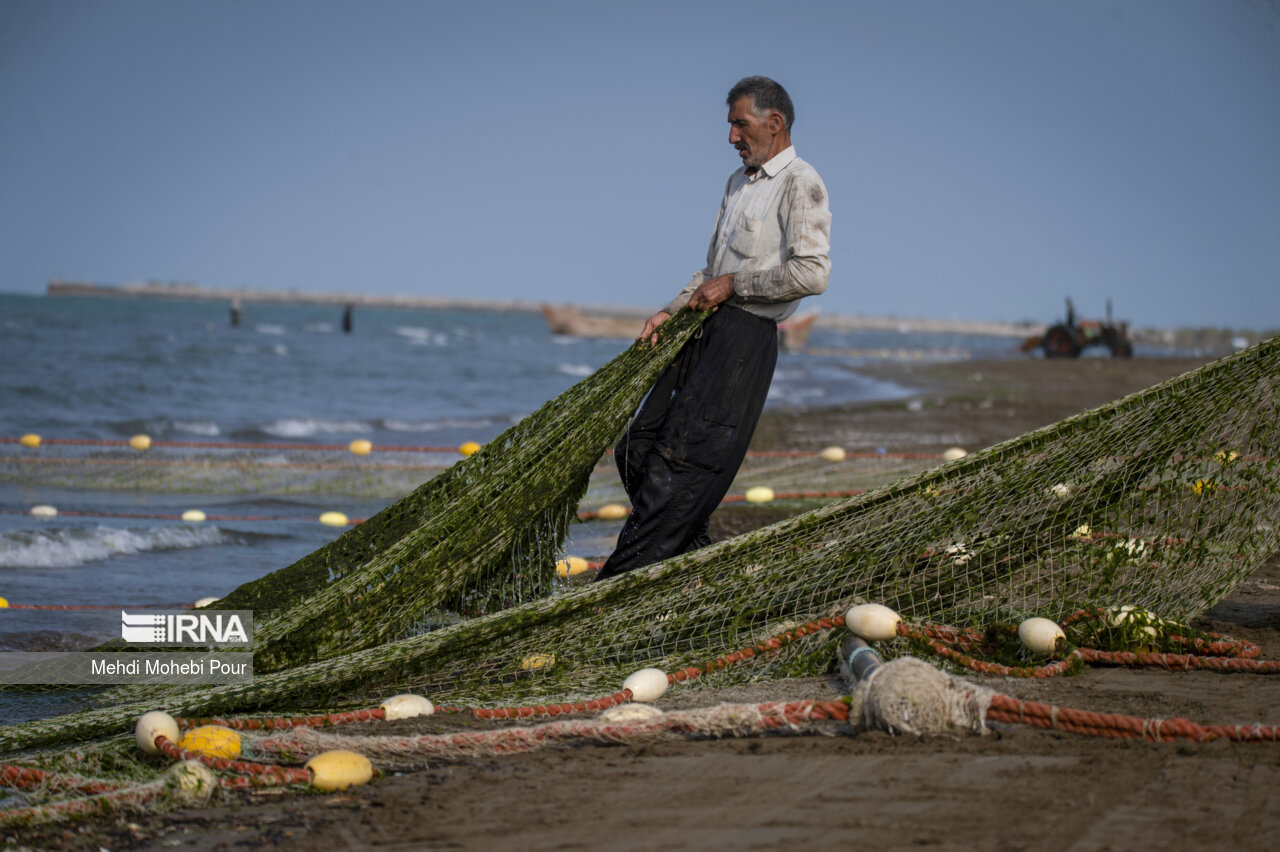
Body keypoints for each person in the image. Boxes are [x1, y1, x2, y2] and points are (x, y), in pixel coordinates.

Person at [594, 76, 831, 581]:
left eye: (739, 125)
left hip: (742, 342)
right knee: (637, 444)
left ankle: (621, 581)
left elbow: (812, 273)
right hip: (700, 328)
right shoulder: (736, 184)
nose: (731, 137)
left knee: (681, 466)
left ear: (775, 124)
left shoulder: (801, 182)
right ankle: (692, 555)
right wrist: (671, 310)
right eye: (729, 125)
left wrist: (734, 286)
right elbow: (710, 271)